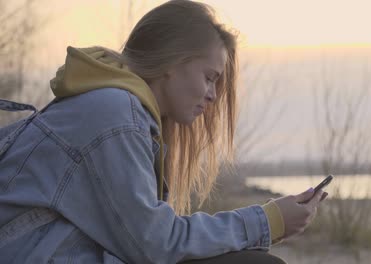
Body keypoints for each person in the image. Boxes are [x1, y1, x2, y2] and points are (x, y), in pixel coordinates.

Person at [0, 0, 327, 263]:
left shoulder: (116, 109)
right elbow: (154, 245)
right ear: (172, 62)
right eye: (209, 77)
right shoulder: (115, 116)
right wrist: (267, 221)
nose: (213, 96)